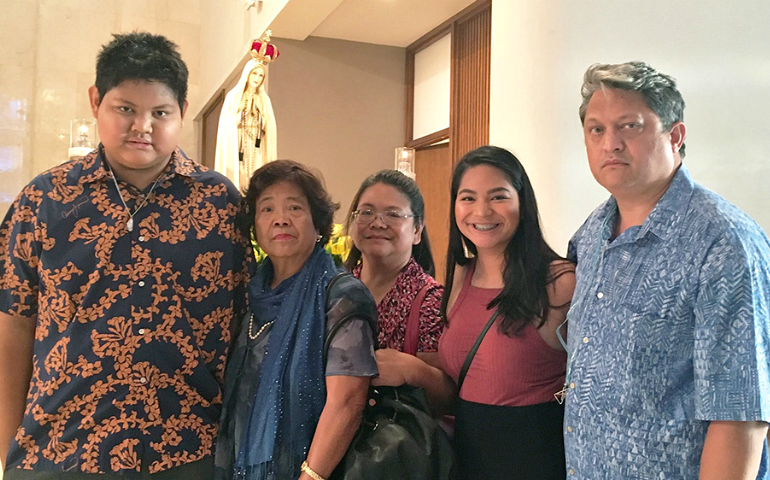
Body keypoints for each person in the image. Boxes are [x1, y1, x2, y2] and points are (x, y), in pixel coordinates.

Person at [0, 32, 249, 478]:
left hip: (187, 453)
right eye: (126, 110)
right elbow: (13, 327)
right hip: (58, 450)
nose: (142, 127)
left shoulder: (221, 205)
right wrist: (6, 450)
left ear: (183, 113)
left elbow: (242, 325)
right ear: (96, 101)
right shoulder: (44, 200)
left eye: (160, 113)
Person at [564, 61, 770, 479]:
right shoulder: (592, 232)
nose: (611, 144)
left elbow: (740, 414)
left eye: (630, 126)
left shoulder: (723, 242)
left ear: (674, 135)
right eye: (596, 129)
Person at [372, 146, 575, 479]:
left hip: (535, 459)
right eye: (467, 198)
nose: (481, 211)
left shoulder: (559, 282)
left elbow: (593, 383)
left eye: (498, 197)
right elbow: (462, 382)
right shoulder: (459, 278)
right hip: (468, 459)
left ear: (523, 204)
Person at [214, 160, 378, 480]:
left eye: (295, 208)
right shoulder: (249, 296)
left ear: (319, 226)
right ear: (254, 228)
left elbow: (348, 404)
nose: (281, 220)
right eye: (267, 209)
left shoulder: (342, 296)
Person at [344, 170, 444, 365]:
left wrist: (411, 371)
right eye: (366, 212)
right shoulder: (332, 290)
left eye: (393, 215)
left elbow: (444, 391)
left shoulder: (431, 303)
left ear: (417, 230)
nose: (378, 223)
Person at [215, 58, 277, 192]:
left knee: (256, 173)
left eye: (261, 75)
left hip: (256, 144)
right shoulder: (234, 97)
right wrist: (241, 116)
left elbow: (270, 127)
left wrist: (260, 118)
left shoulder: (264, 100)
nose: (257, 78)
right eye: (254, 74)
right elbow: (226, 126)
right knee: (240, 174)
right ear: (247, 74)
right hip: (239, 144)